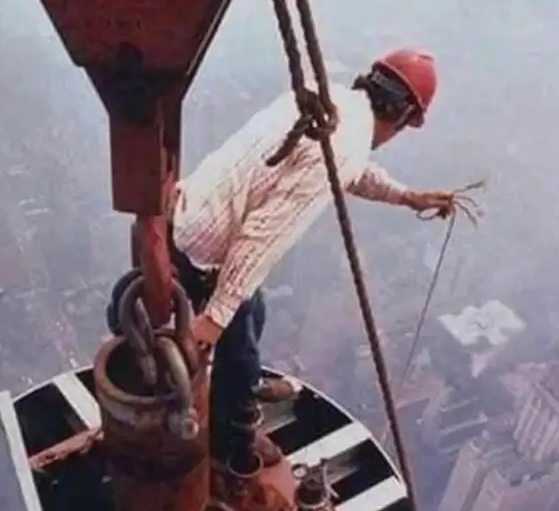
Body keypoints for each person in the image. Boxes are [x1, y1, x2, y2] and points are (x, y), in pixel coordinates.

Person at [167, 48, 456, 470]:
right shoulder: (341, 143)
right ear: (405, 116)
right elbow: (264, 234)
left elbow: (353, 171)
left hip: (194, 210)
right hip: (206, 246)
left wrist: (407, 196)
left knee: (254, 310)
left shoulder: (331, 104)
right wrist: (214, 318)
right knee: (239, 330)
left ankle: (242, 382)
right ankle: (231, 441)